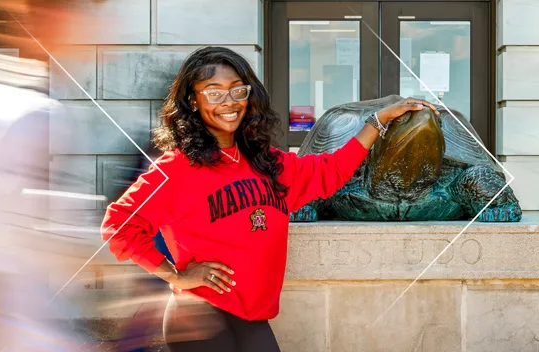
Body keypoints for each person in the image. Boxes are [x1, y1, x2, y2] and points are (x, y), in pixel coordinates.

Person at [100, 46, 438, 352]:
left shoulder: (268, 162)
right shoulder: (178, 167)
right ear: (193, 101)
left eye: (237, 90)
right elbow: (119, 225)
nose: (229, 102)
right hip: (199, 316)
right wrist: (177, 275)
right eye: (214, 92)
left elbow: (330, 171)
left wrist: (377, 121)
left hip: (251, 315)